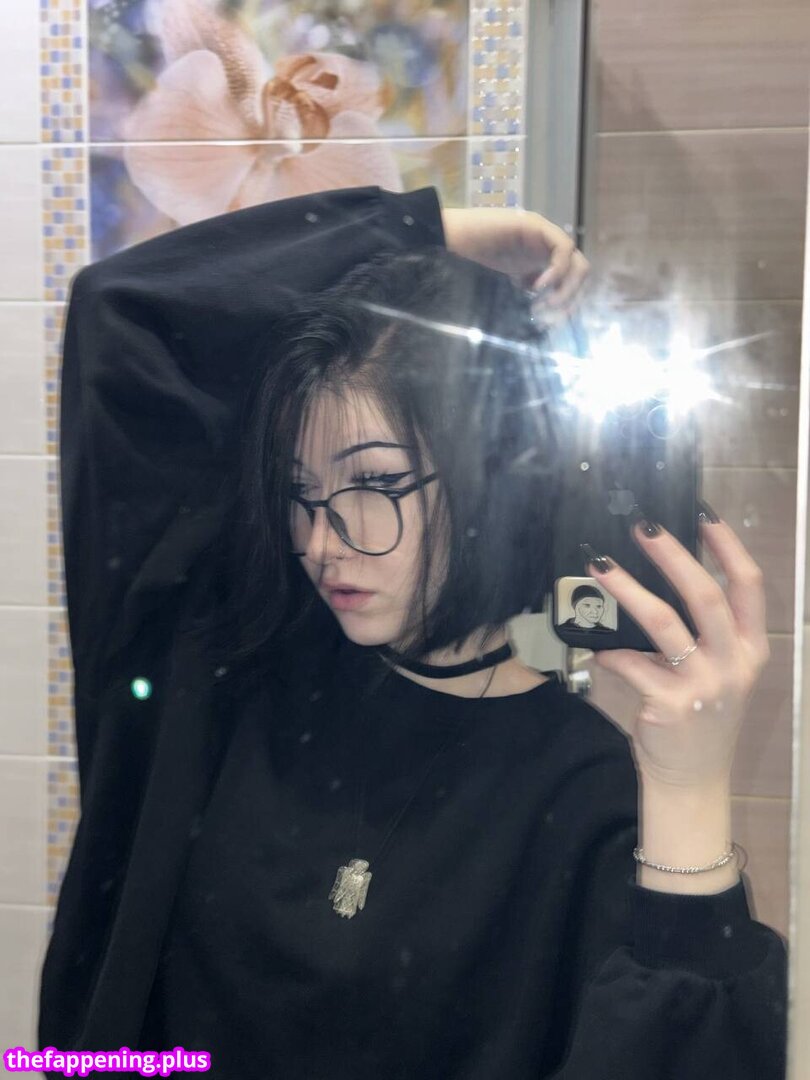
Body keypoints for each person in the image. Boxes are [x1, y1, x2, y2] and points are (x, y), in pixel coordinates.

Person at [38, 185, 787, 1080]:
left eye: (375, 485)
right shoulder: (228, 669)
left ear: (494, 483)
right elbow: (122, 309)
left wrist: (690, 791)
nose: (322, 542)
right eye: (300, 492)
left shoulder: (580, 797)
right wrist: (429, 231)